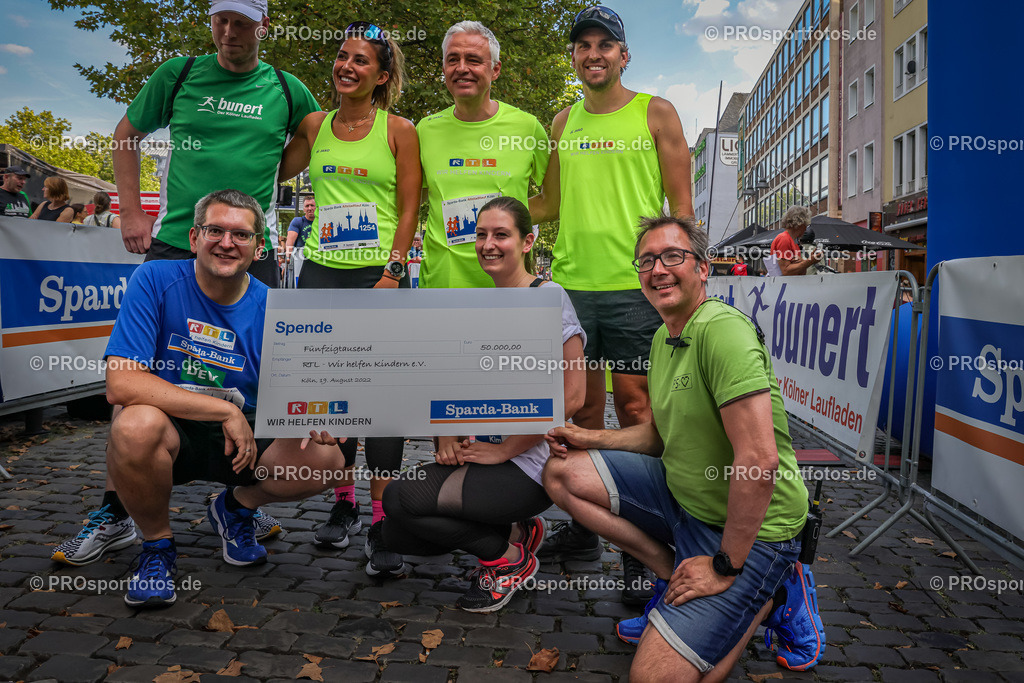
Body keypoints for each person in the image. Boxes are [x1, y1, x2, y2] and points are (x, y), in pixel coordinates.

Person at [542, 214, 825, 680]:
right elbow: (659, 436)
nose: (658, 269)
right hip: (684, 502)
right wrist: (587, 437)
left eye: (673, 256)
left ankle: (769, 590)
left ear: (702, 268)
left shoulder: (722, 331)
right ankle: (675, 574)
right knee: (560, 472)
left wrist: (724, 565)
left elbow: (759, 460)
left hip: (753, 533)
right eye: (647, 260)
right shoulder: (662, 336)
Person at [84, 189, 348, 608]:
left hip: (246, 439)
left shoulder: (276, 307)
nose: (227, 242)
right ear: (193, 238)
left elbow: (304, 388)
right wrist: (223, 409)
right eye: (215, 230)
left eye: (241, 235)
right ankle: (156, 548)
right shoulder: (154, 279)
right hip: (174, 428)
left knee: (327, 461)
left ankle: (234, 509)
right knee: (133, 422)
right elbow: (121, 384)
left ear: (259, 247)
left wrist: (320, 412)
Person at [529, 5, 693, 605]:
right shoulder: (561, 120)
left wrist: (681, 280)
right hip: (571, 286)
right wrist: (481, 196)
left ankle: (642, 543)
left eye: (605, 44)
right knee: (580, 413)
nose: (593, 53)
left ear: (624, 55)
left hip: (635, 287)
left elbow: (682, 209)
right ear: (573, 56)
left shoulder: (656, 112)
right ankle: (586, 528)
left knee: (637, 408)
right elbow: (546, 204)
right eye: (582, 45)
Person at [382, 196, 586, 612]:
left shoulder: (549, 296)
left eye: (501, 235)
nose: (488, 244)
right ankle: (517, 532)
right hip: (484, 453)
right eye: (480, 235)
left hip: (528, 462)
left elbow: (574, 395)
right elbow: (452, 383)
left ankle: (509, 561)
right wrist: (447, 437)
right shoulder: (478, 302)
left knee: (401, 501)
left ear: (527, 242)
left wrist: (505, 449)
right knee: (395, 536)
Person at [279, 21, 420, 577]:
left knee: (383, 402)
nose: (347, 66)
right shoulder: (314, 125)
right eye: (342, 56)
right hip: (321, 276)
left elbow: (410, 208)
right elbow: (270, 164)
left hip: (378, 277)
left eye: (361, 61)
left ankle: (383, 519)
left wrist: (394, 268)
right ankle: (344, 504)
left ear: (381, 76)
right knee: (335, 395)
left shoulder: (399, 130)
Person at [111, 0, 319, 288]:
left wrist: (270, 169)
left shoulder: (287, 88)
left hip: (252, 249)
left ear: (264, 26)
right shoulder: (178, 74)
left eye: (242, 23)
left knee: (251, 334)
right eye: (221, 20)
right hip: (177, 241)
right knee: (159, 332)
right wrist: (130, 212)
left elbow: (320, 140)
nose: (228, 33)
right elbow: (125, 136)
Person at [417, 21, 550, 289]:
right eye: (452, 59)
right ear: (444, 68)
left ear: (495, 69)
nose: (462, 68)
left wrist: (504, 224)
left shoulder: (527, 127)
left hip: (511, 287)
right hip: (442, 285)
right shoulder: (424, 130)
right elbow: (409, 202)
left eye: (474, 60)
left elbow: (552, 202)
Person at [767, 207, 821, 276]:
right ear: (801, 223)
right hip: (784, 285)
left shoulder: (793, 242)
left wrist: (804, 262)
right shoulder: (784, 239)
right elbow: (786, 271)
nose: (806, 228)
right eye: (806, 225)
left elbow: (801, 272)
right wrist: (809, 261)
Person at [283, 195, 316, 281]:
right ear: (303, 209)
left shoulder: (321, 222)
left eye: (312, 205)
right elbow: (290, 241)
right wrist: (288, 258)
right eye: (307, 206)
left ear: (317, 207)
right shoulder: (298, 221)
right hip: (300, 258)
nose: (310, 208)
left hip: (317, 258)